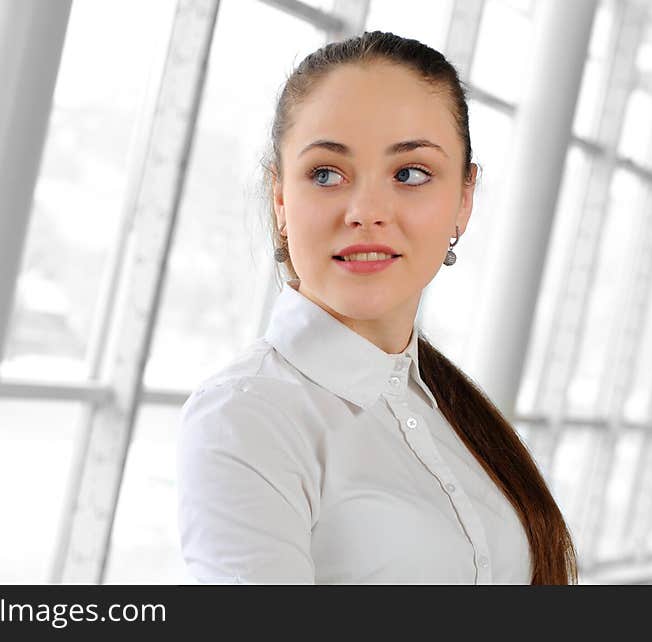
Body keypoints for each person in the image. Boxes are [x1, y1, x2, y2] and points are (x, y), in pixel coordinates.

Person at [176, 30, 577, 584]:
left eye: (410, 174)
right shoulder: (248, 417)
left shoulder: (447, 411)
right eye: (326, 174)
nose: (366, 211)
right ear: (281, 199)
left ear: (464, 200)